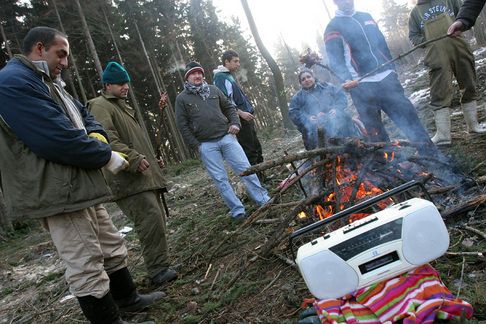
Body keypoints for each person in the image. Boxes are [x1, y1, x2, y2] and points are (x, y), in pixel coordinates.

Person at [0, 27, 163, 324]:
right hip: (55, 188)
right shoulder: (13, 82)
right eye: (61, 54)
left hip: (78, 180)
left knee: (110, 243)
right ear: (39, 48)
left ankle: (127, 299)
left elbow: (85, 116)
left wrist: (97, 135)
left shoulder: (48, 82)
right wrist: (106, 155)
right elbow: (53, 137)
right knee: (84, 259)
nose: (65, 62)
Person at [89, 61, 177, 287]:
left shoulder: (122, 107)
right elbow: (106, 138)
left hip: (141, 177)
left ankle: (162, 266)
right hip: (125, 178)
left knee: (155, 219)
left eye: (126, 82)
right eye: (120, 83)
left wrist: (149, 160)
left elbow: (133, 141)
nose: (125, 86)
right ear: (107, 85)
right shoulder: (100, 106)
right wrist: (135, 159)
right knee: (148, 220)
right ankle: (157, 271)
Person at [324, 0, 436, 154]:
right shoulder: (333, 27)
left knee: (409, 117)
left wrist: (392, 69)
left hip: (387, 79)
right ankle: (389, 165)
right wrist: (345, 79)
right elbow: (334, 58)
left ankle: (431, 155)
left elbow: (382, 43)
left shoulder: (366, 16)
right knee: (375, 131)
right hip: (361, 85)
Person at [175, 61, 270, 220]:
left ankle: (263, 199)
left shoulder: (213, 90)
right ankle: (237, 210)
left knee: (245, 169)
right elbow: (182, 125)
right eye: (193, 73)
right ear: (187, 78)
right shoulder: (182, 98)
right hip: (206, 145)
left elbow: (229, 107)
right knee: (220, 179)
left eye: (199, 73)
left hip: (227, 138)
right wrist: (196, 146)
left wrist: (235, 123)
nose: (197, 75)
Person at [409, 0, 486, 145]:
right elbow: (413, 36)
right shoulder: (415, 13)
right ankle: (443, 135)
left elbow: (464, 15)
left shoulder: (449, 0)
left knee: (469, 83)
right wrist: (426, 40)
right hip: (435, 54)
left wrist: (461, 25)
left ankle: (473, 125)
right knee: (439, 91)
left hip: (459, 46)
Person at [213, 50, 264, 167]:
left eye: (238, 61)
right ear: (226, 62)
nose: (238, 64)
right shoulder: (220, 77)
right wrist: (241, 113)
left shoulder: (228, 75)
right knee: (250, 149)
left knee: (256, 146)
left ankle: (262, 173)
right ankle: (257, 179)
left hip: (246, 116)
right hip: (240, 118)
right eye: (235, 61)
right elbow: (224, 101)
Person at [289, 69, 361, 150]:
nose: (306, 80)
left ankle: (355, 144)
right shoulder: (297, 98)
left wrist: (336, 109)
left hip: (333, 117)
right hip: (313, 125)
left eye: (308, 77)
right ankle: (320, 155)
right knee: (308, 129)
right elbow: (293, 113)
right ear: (301, 83)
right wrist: (307, 118)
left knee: (344, 116)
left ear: (313, 77)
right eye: (303, 79)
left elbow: (341, 96)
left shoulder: (326, 86)